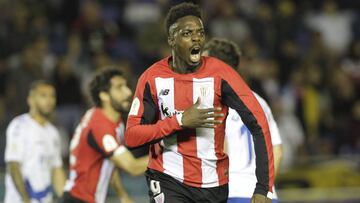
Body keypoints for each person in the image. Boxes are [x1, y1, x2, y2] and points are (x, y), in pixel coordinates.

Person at [125, 3, 274, 203]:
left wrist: (263, 187)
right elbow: (132, 136)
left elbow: (259, 124)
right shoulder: (152, 78)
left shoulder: (222, 75)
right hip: (167, 177)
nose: (196, 37)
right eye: (187, 33)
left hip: (213, 184)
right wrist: (179, 121)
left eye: (200, 32)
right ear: (171, 39)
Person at [203, 38, 283, 203]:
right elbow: (277, 151)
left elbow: (218, 149)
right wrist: (265, 187)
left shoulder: (212, 100)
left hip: (231, 193)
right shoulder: (259, 101)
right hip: (265, 196)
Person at [62, 68, 148, 203]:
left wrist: (122, 195)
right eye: (119, 88)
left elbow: (111, 161)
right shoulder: (100, 126)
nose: (128, 92)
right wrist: (166, 154)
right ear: (104, 95)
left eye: (126, 86)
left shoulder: (113, 120)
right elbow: (133, 167)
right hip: (78, 199)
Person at [4, 80, 66, 203]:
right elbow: (13, 166)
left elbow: (56, 169)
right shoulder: (19, 126)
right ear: (31, 100)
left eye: (52, 96)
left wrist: (64, 198)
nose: (49, 101)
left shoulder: (53, 132)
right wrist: (26, 200)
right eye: (43, 96)